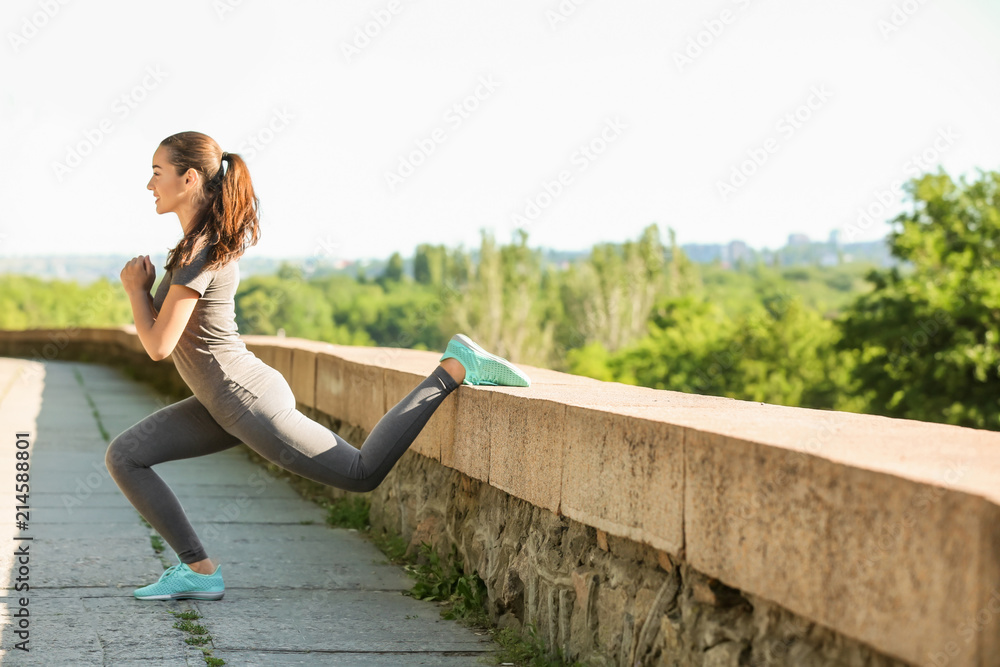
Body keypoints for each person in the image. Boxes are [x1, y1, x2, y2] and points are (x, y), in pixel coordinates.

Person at [105, 130, 530, 602]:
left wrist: (136, 292)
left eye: (156, 173)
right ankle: (199, 570)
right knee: (125, 456)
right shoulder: (193, 246)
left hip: (244, 400)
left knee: (362, 473)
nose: (149, 185)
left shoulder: (200, 251)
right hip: (221, 398)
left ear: (187, 179)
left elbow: (159, 345)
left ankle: (453, 367)